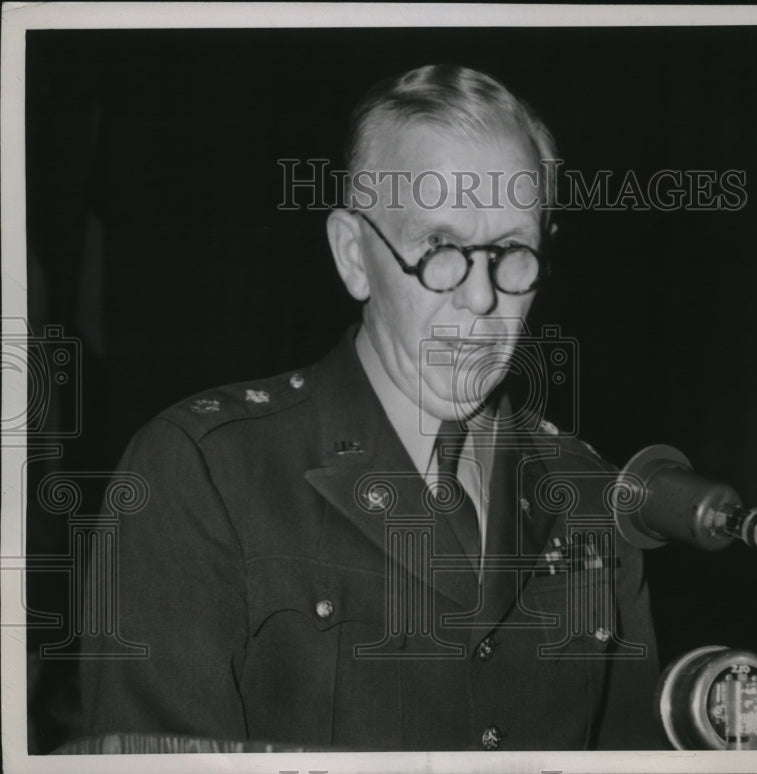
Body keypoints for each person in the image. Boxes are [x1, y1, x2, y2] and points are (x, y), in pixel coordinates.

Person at [77, 63, 663, 751]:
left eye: (512, 250)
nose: (481, 298)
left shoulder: (595, 496)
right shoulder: (205, 474)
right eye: (439, 248)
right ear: (353, 255)